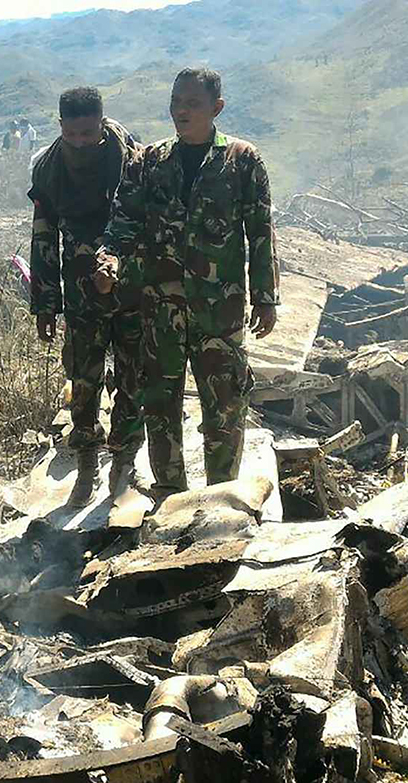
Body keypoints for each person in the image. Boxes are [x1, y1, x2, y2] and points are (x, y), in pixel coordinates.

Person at [95, 67, 279, 494]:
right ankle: (170, 493)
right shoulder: (148, 161)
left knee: (225, 404)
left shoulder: (242, 160)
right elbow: (122, 224)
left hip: (220, 310)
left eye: (193, 103)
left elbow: (261, 231)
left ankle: (221, 496)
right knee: (160, 404)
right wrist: (109, 260)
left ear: (217, 108)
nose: (181, 110)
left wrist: (266, 297)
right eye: (176, 102)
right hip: (161, 309)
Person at [29, 87, 145, 504]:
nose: (80, 142)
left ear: (102, 123)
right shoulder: (49, 170)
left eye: (88, 133)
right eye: (72, 134)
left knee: (133, 378)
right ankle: (86, 463)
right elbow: (43, 237)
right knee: (83, 380)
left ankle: (124, 460)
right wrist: (45, 303)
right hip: (80, 293)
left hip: (131, 287)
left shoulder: (132, 160)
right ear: (61, 126)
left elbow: (149, 222)